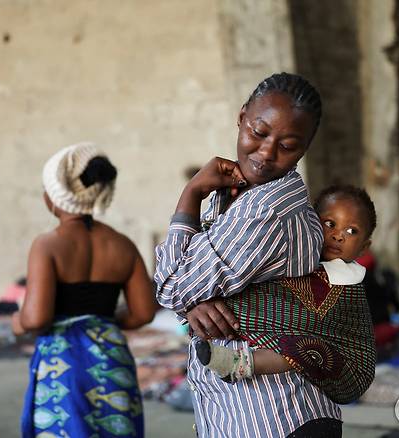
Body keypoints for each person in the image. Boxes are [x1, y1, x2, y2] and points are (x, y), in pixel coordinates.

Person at [154, 73, 343, 437]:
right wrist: (193, 302)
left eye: (287, 145)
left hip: (273, 415)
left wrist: (191, 193)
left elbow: (170, 289)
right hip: (253, 413)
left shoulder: (266, 212)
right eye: (258, 132)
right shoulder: (238, 193)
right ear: (242, 117)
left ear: (304, 148)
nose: (267, 153)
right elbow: (183, 290)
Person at [14, 143, 158, 438]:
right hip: (111, 356)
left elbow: (36, 319)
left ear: (51, 197)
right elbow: (143, 313)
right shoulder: (123, 245)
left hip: (64, 365)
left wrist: (17, 322)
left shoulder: (47, 245)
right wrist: (102, 322)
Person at [194, 185, 377, 405]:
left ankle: (240, 364)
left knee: (303, 348)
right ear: (311, 223)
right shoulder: (290, 258)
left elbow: (345, 335)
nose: (338, 235)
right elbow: (269, 299)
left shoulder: (349, 283)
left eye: (351, 231)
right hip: (249, 399)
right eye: (330, 224)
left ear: (364, 247)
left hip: (326, 361)